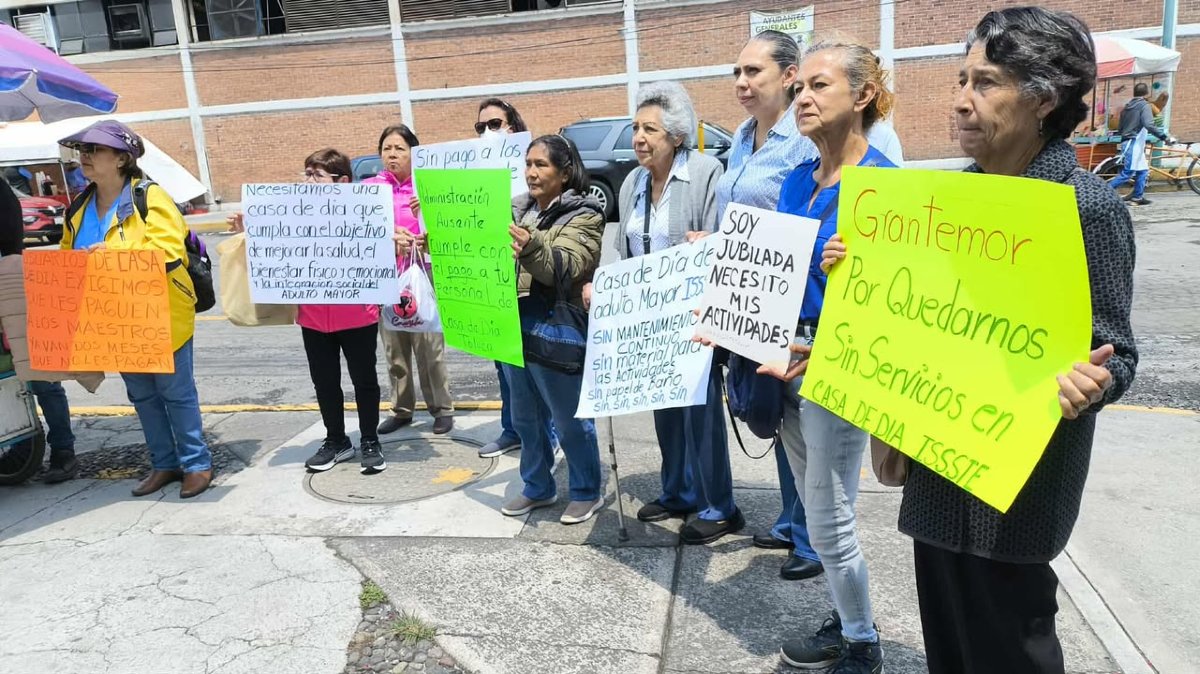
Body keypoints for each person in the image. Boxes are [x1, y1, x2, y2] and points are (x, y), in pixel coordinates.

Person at [822, 9, 1137, 673]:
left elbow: (1118, 351)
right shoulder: (938, 204)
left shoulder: (1087, 208)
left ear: (1044, 98)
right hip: (937, 479)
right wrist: (854, 277)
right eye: (962, 78)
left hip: (1019, 495)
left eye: (986, 83)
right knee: (950, 650)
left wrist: (1095, 382)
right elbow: (915, 322)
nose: (961, 99)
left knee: (1011, 652)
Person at [768, 36, 895, 672]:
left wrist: (859, 268)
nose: (803, 97)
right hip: (784, 363)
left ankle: (862, 642)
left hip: (838, 366)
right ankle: (848, 619)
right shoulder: (796, 180)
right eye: (799, 89)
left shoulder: (886, 190)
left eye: (819, 85)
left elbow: (903, 301)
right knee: (814, 512)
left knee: (829, 516)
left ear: (863, 95)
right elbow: (772, 270)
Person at [604, 80, 742, 545]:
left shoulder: (706, 172)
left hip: (695, 316)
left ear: (677, 136)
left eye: (650, 129)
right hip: (652, 320)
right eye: (635, 128)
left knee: (700, 414)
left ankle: (718, 507)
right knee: (665, 412)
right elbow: (627, 250)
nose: (638, 138)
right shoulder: (632, 182)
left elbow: (725, 239)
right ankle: (678, 492)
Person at [713, 30, 826, 573]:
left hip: (793, 298)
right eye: (737, 72)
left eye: (753, 72)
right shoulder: (740, 136)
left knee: (800, 418)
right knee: (771, 414)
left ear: (788, 76)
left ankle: (811, 539)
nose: (741, 82)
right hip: (749, 296)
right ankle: (789, 516)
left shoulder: (805, 141)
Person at [59, 120, 213, 499]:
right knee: (141, 395)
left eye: (94, 150)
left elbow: (167, 250)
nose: (85, 157)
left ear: (122, 158)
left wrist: (111, 255)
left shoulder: (151, 196)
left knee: (176, 393)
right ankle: (164, 463)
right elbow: (67, 257)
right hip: (115, 318)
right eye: (82, 150)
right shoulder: (78, 207)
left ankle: (197, 464)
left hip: (159, 312)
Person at [228, 150, 385, 473]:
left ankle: (370, 439)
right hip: (313, 316)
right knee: (324, 382)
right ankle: (337, 440)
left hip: (357, 313)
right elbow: (271, 244)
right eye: (307, 173)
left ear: (342, 182)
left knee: (364, 380)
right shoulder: (294, 215)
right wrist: (249, 229)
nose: (309, 181)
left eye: (317, 175)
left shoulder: (363, 213)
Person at [499, 134, 605, 525]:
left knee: (568, 416)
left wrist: (529, 245)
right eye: (528, 164)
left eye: (541, 165)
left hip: (555, 326)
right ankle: (538, 486)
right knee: (525, 417)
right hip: (512, 326)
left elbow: (565, 266)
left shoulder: (585, 214)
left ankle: (585, 490)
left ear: (564, 172)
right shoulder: (515, 211)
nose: (531, 172)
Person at [469, 98, 560, 460]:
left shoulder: (529, 173)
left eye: (495, 124)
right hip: (492, 284)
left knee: (535, 369)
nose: (487, 132)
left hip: (527, 286)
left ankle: (548, 437)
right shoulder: (475, 173)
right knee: (503, 366)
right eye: (480, 127)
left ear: (514, 128)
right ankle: (512, 430)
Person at [370, 125, 456, 437]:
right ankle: (401, 409)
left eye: (399, 149)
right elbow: (360, 234)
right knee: (395, 349)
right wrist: (389, 241)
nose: (391, 154)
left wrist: (429, 224)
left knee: (429, 347)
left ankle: (442, 408)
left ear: (413, 154)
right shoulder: (371, 189)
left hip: (425, 274)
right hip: (386, 277)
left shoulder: (430, 188)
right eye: (387, 148)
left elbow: (451, 231)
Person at [0, 182, 78, 483]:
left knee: (40, 377)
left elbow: (9, 240)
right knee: (25, 380)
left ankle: (62, 452)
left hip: (14, 287)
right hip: (16, 283)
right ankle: (29, 446)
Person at [1109, 81, 1175, 205]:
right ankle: (1103, 191)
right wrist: (1164, 137)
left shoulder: (1127, 107)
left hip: (1129, 141)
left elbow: (1120, 127)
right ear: (1146, 94)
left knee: (1143, 170)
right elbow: (1148, 124)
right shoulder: (1145, 106)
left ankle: (1137, 197)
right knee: (1128, 172)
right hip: (1134, 143)